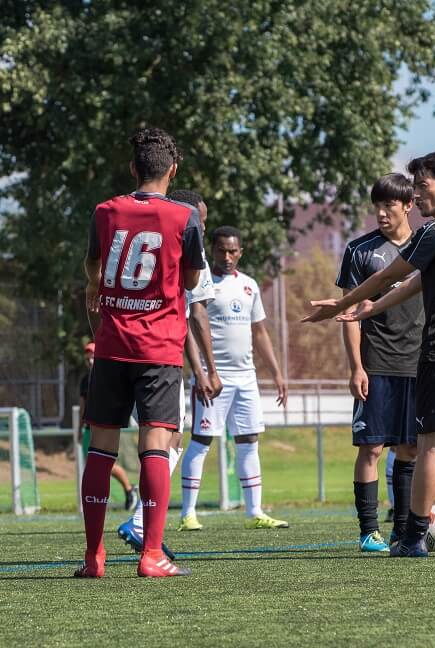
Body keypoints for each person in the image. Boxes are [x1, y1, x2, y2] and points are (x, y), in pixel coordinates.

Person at [304, 150, 435, 558]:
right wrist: (373, 308)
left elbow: (386, 275)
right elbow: (420, 282)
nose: (419, 193)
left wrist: (339, 306)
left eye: (424, 186)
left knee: (429, 445)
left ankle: (413, 537)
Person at [78, 127, 210, 578]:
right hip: (159, 348)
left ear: (133, 168)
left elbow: (93, 266)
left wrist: (97, 285)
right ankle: (151, 555)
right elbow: (192, 281)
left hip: (113, 343)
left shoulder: (105, 210)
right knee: (155, 446)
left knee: (101, 448)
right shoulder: (185, 216)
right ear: (173, 170)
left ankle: (94, 556)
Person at [114, 187, 218, 558]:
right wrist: (206, 369)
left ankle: (134, 527)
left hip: (130, 352)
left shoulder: (150, 239)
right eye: (201, 221)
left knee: (133, 442)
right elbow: (194, 316)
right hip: (162, 360)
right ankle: (141, 525)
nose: (202, 228)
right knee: (167, 440)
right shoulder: (187, 247)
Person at [178, 225, 289, 532]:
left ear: (241, 252)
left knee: (249, 441)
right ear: (211, 251)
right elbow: (188, 328)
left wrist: (277, 373)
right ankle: (188, 514)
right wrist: (199, 372)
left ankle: (254, 511)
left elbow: (260, 332)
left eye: (233, 251)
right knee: (201, 441)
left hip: (246, 378)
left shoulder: (250, 285)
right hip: (214, 379)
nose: (227, 257)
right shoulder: (200, 283)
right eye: (221, 251)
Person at [335, 174, 422, 552]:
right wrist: (356, 366)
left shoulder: (427, 246)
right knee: (371, 448)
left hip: (419, 364)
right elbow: (350, 312)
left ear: (408, 205)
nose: (382, 213)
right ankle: (369, 530)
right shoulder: (360, 250)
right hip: (377, 365)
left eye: (390, 206)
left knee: (410, 449)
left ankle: (403, 529)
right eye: (377, 206)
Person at [78, 341, 138, 511]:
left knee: (105, 464)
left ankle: (128, 489)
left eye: (92, 354)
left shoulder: (107, 374)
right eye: (88, 355)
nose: (90, 358)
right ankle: (102, 500)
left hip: (105, 426)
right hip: (89, 428)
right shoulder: (85, 380)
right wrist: (80, 428)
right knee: (95, 466)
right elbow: (82, 406)